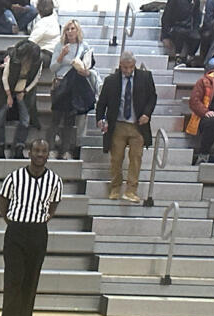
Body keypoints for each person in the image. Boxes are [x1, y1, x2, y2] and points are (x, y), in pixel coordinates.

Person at [0, 138, 61, 316]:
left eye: (44, 151)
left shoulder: (55, 181)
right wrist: (16, 222)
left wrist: (38, 221)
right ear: (29, 152)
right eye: (36, 150)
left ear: (48, 154)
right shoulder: (14, 178)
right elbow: (3, 206)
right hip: (16, 231)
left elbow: (52, 207)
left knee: (31, 281)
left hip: (38, 233)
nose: (40, 154)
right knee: (13, 280)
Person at [95, 50, 156, 201]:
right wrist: (100, 119)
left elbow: (152, 97)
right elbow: (101, 103)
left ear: (135, 65)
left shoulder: (145, 77)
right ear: (120, 65)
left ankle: (131, 190)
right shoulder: (111, 80)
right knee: (116, 158)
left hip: (138, 125)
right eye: (125, 67)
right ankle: (115, 187)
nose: (128, 71)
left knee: (136, 158)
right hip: (118, 125)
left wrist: (147, 114)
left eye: (131, 67)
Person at [50, 19, 96, 159]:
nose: (70, 32)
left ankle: (66, 150)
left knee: (70, 120)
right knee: (56, 118)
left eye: (72, 29)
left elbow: (89, 67)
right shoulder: (60, 46)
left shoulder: (84, 46)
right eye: (68, 29)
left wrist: (85, 70)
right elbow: (52, 68)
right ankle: (52, 148)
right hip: (60, 83)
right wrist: (61, 56)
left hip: (75, 85)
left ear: (78, 31)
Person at [0, 39, 42, 159]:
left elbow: (36, 78)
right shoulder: (13, 58)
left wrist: (25, 91)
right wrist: (8, 95)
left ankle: (19, 147)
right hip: (7, 88)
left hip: (24, 90)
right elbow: (5, 76)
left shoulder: (37, 62)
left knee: (25, 120)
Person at [28, 0, 60, 68]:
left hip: (45, 55)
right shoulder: (54, 20)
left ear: (39, 9)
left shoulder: (42, 23)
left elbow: (31, 42)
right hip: (53, 55)